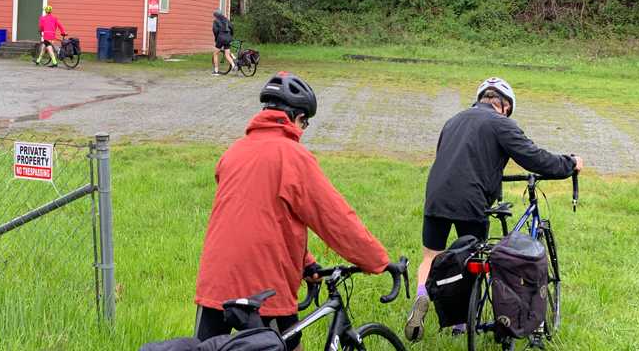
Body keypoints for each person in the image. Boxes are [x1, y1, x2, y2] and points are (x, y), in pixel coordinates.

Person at [194, 72, 392, 349]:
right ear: (297, 118)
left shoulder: (233, 152)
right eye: (306, 123)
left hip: (214, 282)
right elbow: (335, 219)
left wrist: (305, 262)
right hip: (263, 287)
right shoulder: (294, 157)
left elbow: (261, 215)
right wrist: (378, 261)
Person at [404, 77, 583, 343]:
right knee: (473, 260)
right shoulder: (501, 123)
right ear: (505, 106)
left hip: (436, 195)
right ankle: (463, 322)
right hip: (471, 199)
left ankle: (422, 293)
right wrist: (569, 164)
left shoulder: (453, 120)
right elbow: (533, 156)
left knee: (431, 255)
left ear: (481, 99)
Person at [211, 9, 236, 75]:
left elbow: (215, 31)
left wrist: (216, 39)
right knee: (227, 54)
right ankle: (233, 65)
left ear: (216, 15)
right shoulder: (226, 20)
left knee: (215, 53)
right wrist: (231, 36)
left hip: (221, 38)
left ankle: (216, 71)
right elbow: (232, 28)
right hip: (228, 38)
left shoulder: (216, 21)